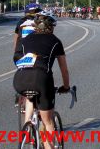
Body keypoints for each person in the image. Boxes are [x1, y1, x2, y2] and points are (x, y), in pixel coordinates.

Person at [13, 12, 70, 149]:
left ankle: (27, 127)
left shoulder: (25, 40)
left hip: (19, 80)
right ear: (50, 28)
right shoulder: (55, 41)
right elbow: (64, 70)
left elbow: (16, 58)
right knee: (48, 121)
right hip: (41, 80)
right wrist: (66, 86)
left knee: (30, 96)